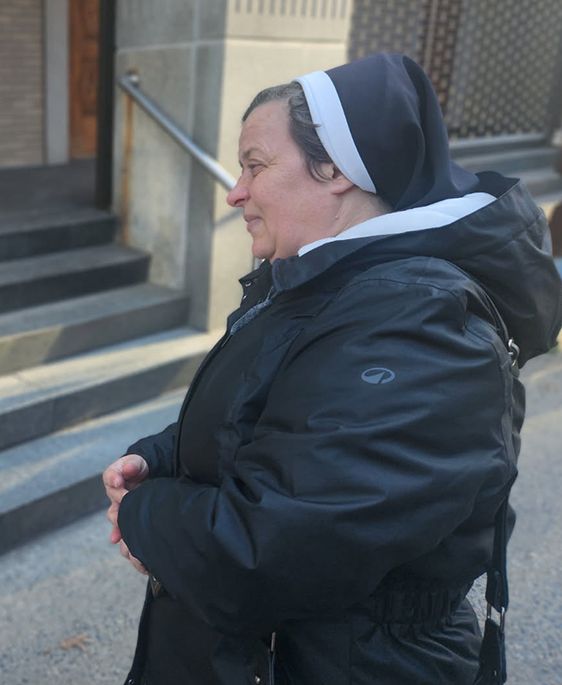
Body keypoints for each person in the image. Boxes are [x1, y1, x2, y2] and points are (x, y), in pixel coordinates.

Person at [103, 53, 562, 684]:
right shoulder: (328, 285)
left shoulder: (416, 323)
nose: (236, 191)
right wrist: (165, 456)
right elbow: (279, 412)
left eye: (255, 165)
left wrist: (144, 513)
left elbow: (269, 557)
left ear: (338, 169)